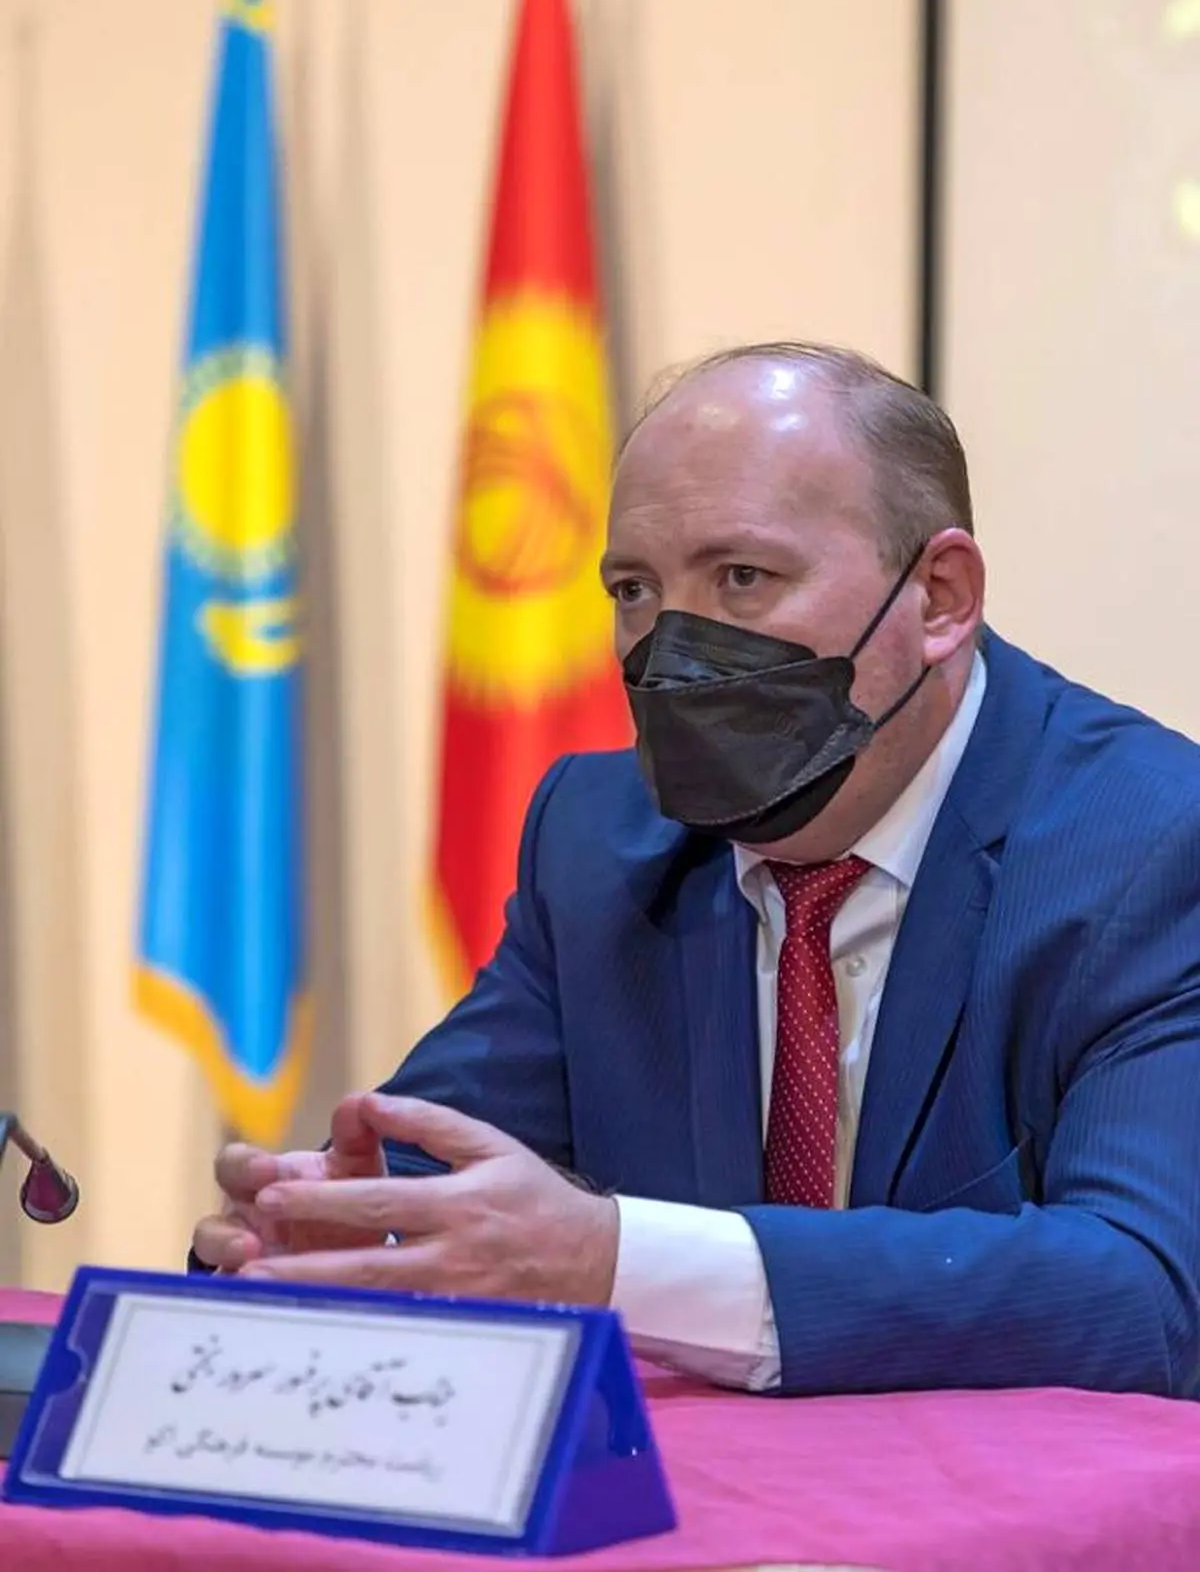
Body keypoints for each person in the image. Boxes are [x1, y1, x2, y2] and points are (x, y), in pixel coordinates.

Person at [192, 342, 1200, 1399]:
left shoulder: (1152, 845)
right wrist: (339, 1233)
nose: (671, 647)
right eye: (634, 589)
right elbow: (441, 1170)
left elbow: (1147, 1295)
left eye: (743, 578)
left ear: (940, 597)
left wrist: (617, 1262)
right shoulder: (601, 839)